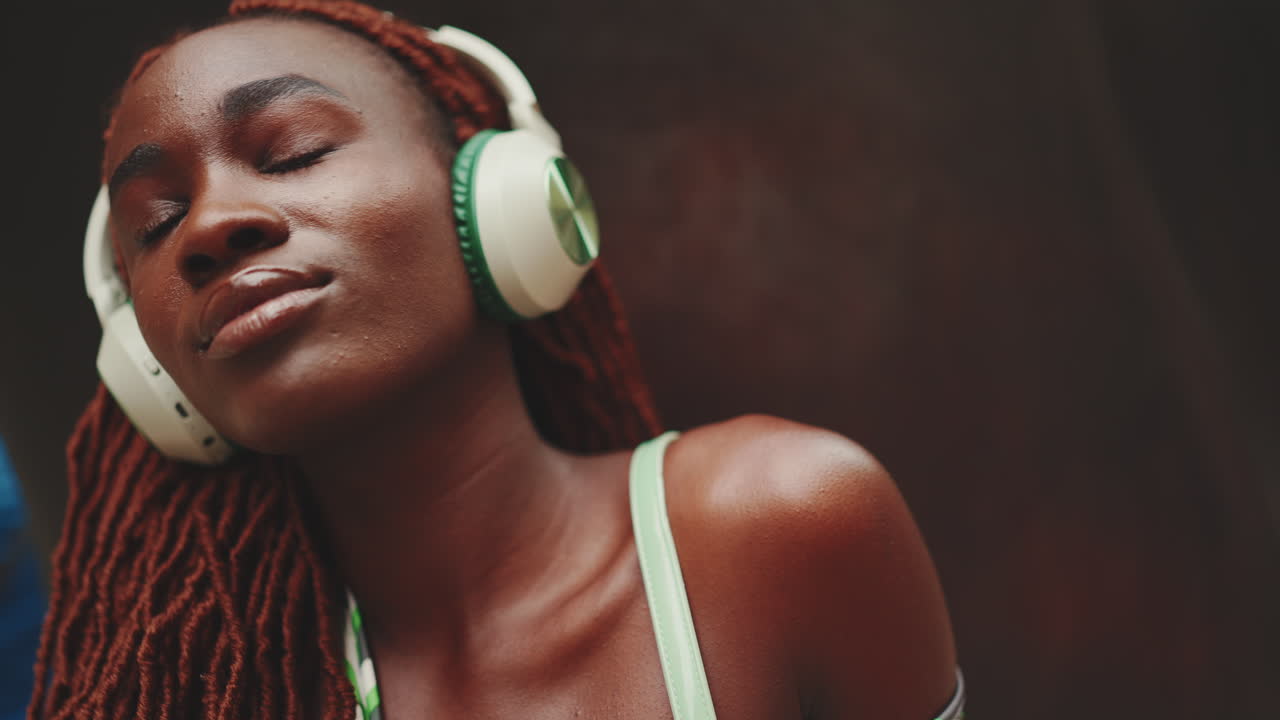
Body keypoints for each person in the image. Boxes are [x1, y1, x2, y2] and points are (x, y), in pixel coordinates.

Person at [34, 1, 963, 718]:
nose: (209, 226)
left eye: (293, 153)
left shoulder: (783, 523)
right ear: (141, 364)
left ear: (498, 202)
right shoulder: (217, 687)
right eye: (155, 224)